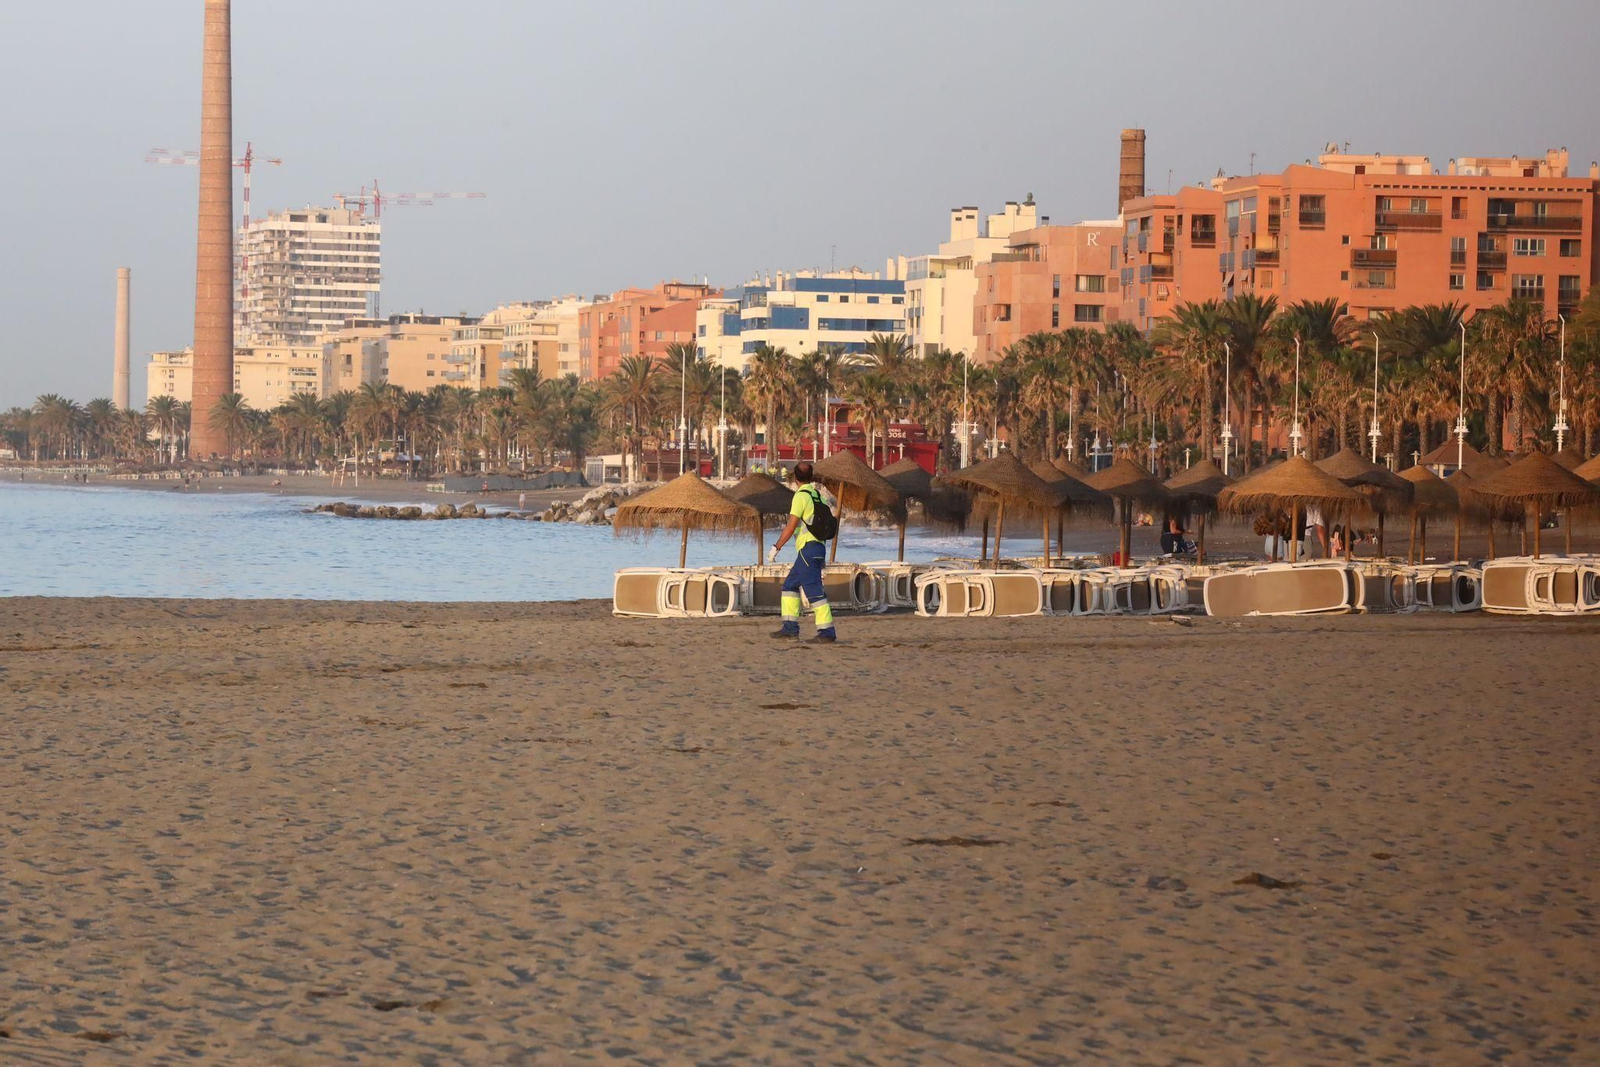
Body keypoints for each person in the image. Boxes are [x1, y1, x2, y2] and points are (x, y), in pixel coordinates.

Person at [767, 460, 836, 643]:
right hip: (818, 548)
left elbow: (791, 527)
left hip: (808, 549)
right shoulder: (819, 496)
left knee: (814, 592)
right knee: (790, 585)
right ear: (811, 476)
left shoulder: (800, 496)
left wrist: (776, 547)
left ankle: (827, 632)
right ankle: (790, 628)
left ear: (795, 478)